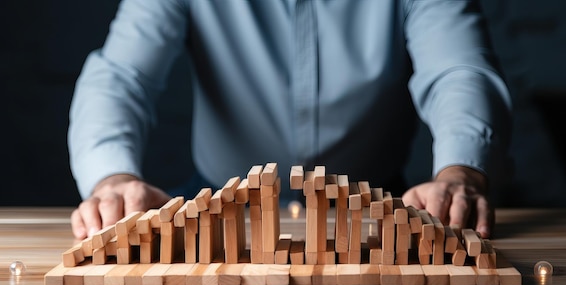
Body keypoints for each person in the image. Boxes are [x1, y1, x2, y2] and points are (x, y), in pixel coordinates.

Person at [68, 0, 512, 241]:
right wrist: (113, 179)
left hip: (381, 211)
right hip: (215, 208)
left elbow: (459, 70)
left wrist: (460, 172)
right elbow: (122, 77)